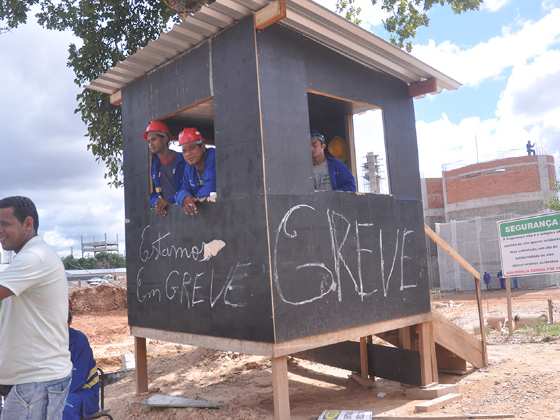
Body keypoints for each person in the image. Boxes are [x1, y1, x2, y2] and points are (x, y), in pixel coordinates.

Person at [0, 196, 72, 419]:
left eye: (4, 224)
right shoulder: (26, 259)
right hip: (30, 382)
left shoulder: (35, 257)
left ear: (28, 223)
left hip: (36, 382)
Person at [63, 309, 100, 420]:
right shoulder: (50, 341)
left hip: (84, 392)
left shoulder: (79, 340)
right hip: (62, 390)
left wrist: (54, 393)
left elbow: (77, 378)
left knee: (64, 407)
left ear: (68, 322)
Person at [144, 120, 186, 216]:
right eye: (148, 141)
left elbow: (188, 188)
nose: (150, 144)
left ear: (165, 138)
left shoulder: (183, 160)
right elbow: (152, 194)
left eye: (154, 139)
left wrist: (168, 200)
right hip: (168, 216)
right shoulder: (153, 166)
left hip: (185, 211)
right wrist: (156, 202)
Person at [175, 127, 216, 216]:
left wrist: (193, 199)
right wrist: (185, 198)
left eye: (192, 148)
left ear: (203, 147)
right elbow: (181, 190)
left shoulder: (214, 157)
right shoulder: (189, 167)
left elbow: (210, 187)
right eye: (184, 151)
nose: (188, 154)